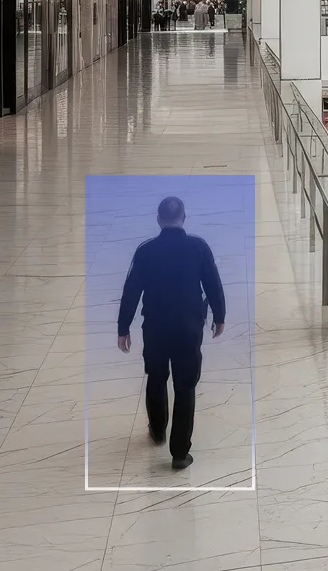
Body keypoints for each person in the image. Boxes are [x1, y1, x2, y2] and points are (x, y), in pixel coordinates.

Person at [117, 196, 226, 470]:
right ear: (184, 218)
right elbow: (213, 283)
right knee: (185, 385)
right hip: (188, 327)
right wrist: (219, 316)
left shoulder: (146, 251)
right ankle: (179, 453)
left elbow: (131, 291)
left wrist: (123, 327)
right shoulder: (198, 247)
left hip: (155, 326)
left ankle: (157, 430)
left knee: (156, 376)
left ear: (158, 220)